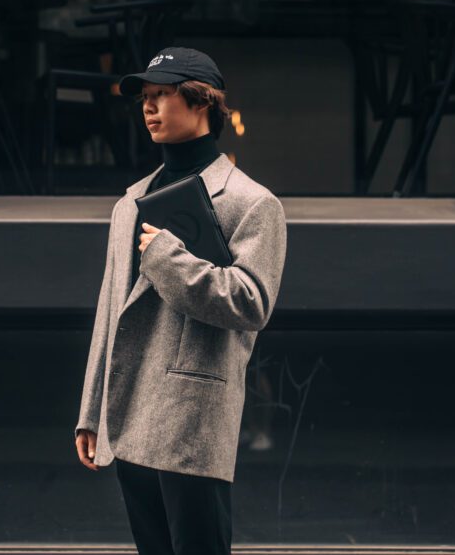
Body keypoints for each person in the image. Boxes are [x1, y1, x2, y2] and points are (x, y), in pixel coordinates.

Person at [73, 47, 287, 555]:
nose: (149, 107)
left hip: (192, 414)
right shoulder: (131, 202)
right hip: (129, 409)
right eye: (145, 98)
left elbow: (251, 303)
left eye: (162, 95)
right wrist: (90, 410)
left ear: (201, 101)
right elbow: (109, 309)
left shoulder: (252, 202)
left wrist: (169, 259)